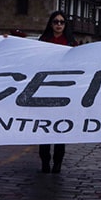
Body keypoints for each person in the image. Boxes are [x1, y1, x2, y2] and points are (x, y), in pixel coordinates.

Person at [37, 11, 77, 173]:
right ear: (51, 24)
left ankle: (58, 162)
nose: (59, 24)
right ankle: (45, 161)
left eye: (62, 22)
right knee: (44, 130)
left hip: (64, 92)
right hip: (44, 92)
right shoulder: (42, 42)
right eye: (55, 22)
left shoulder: (72, 44)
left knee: (60, 130)